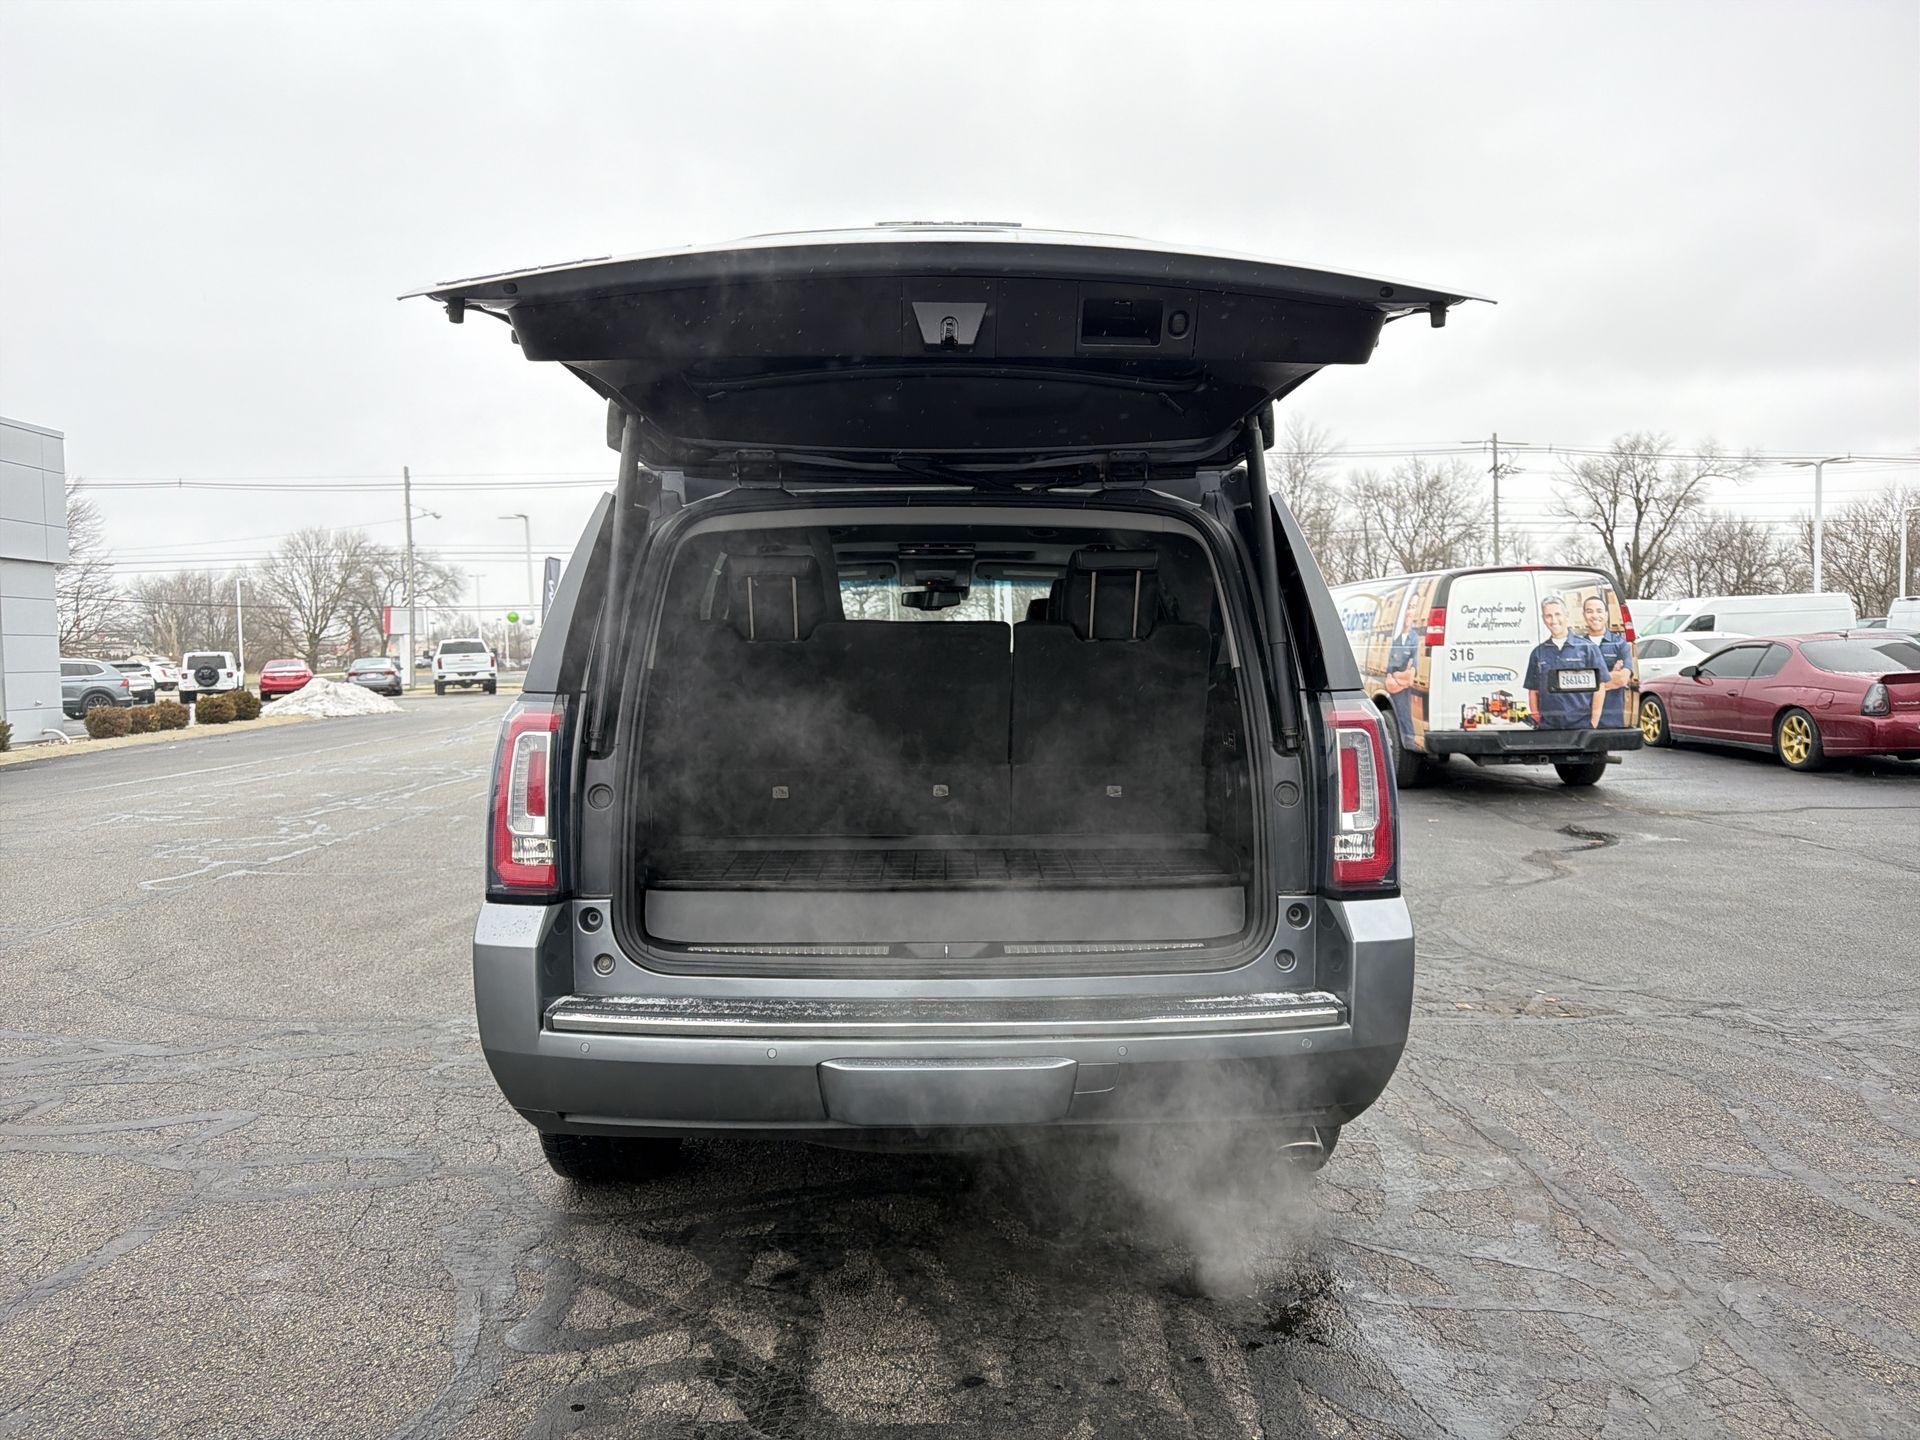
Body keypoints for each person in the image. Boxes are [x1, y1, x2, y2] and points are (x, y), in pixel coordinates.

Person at [1523, 597, 1607, 730]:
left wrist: (1593, 723)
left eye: (1558, 614)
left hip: (1581, 725)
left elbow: (1600, 687)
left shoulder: (1588, 649)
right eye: (1548, 616)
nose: (1554, 620)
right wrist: (1537, 720)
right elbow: (1533, 691)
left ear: (1566, 616)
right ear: (1543, 619)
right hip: (1548, 727)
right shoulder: (1538, 653)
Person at [1580, 593, 1634, 728]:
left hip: (1611, 719)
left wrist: (1586, 680)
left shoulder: (1620, 644)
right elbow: (1571, 684)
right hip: (1581, 718)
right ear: (1584, 615)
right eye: (1589, 611)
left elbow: (1623, 679)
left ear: (1606, 614)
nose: (1595, 615)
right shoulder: (1576, 646)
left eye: (1599, 611)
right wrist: (1610, 675)